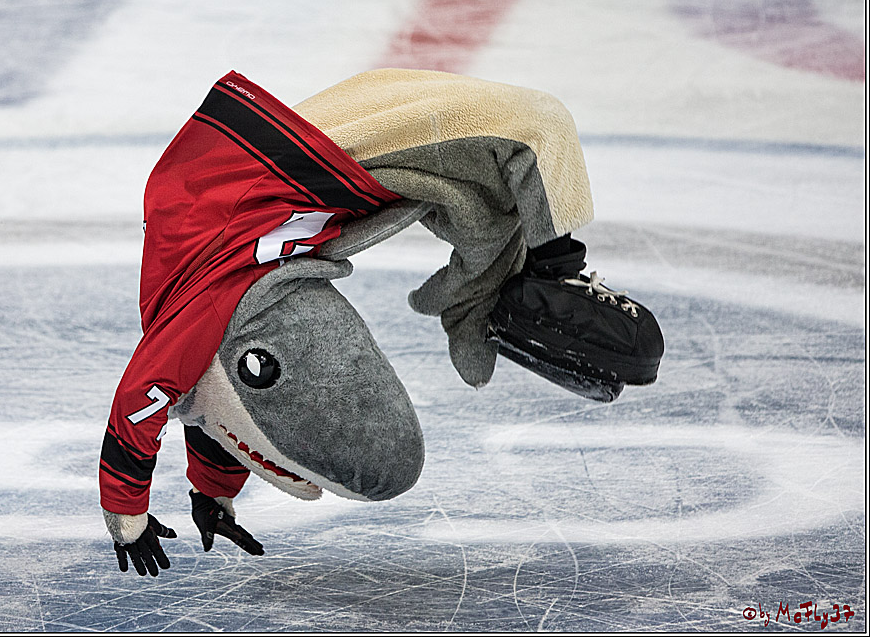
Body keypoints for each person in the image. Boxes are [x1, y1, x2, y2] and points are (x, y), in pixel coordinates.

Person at [99, 69, 663, 576]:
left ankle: (549, 271)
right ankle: (518, 286)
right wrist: (211, 494)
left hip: (270, 164)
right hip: (268, 182)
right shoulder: (213, 319)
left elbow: (148, 397)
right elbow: (220, 408)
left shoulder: (207, 312)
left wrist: (132, 515)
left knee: (533, 126)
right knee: (494, 192)